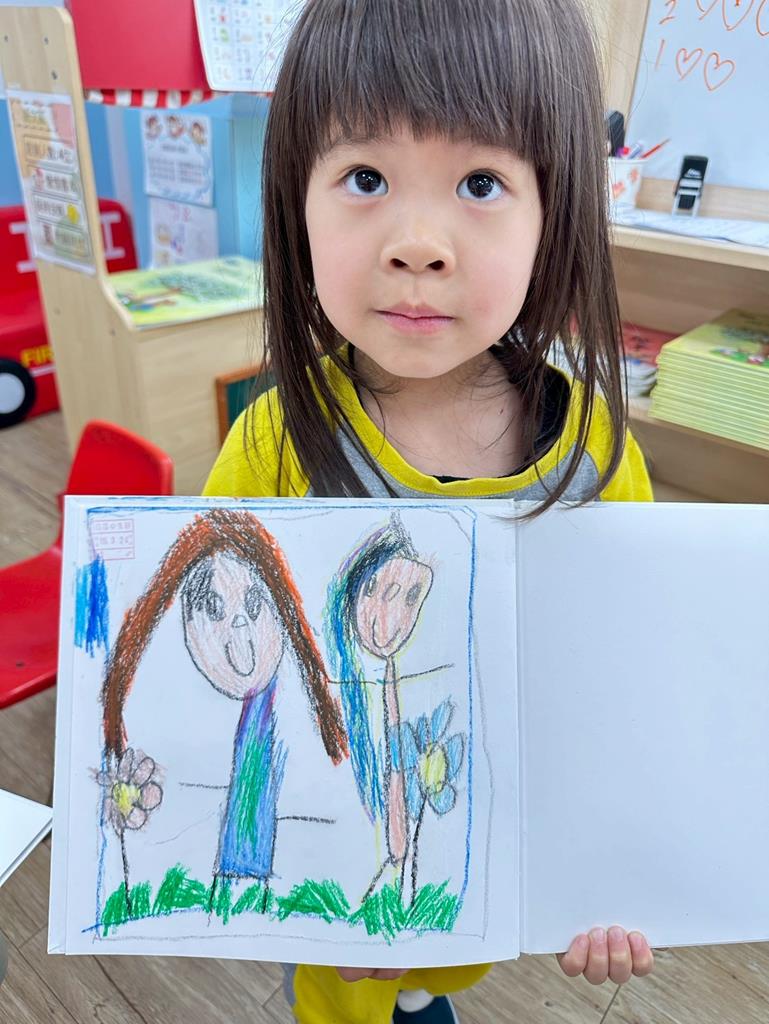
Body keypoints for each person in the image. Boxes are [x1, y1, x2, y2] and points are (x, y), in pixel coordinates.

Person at [203, 0, 655, 1019]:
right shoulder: (271, 445)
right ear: (295, 198)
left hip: (490, 875)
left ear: (554, 212)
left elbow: (625, 688)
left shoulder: (592, 452)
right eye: (365, 178)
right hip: (324, 872)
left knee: (431, 987)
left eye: (480, 183)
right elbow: (225, 684)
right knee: (347, 1003)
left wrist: (614, 871)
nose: (417, 245)